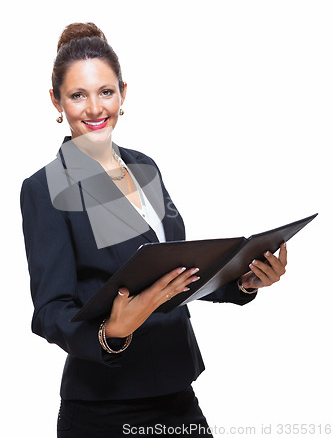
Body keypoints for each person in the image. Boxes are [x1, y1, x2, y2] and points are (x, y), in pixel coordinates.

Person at [20, 22, 287, 438]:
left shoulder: (144, 167)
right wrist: (112, 333)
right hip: (105, 407)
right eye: (77, 95)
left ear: (123, 93)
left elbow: (178, 271)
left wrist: (245, 280)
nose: (94, 109)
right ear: (55, 101)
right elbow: (50, 310)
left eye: (105, 92)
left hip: (178, 394)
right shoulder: (47, 187)